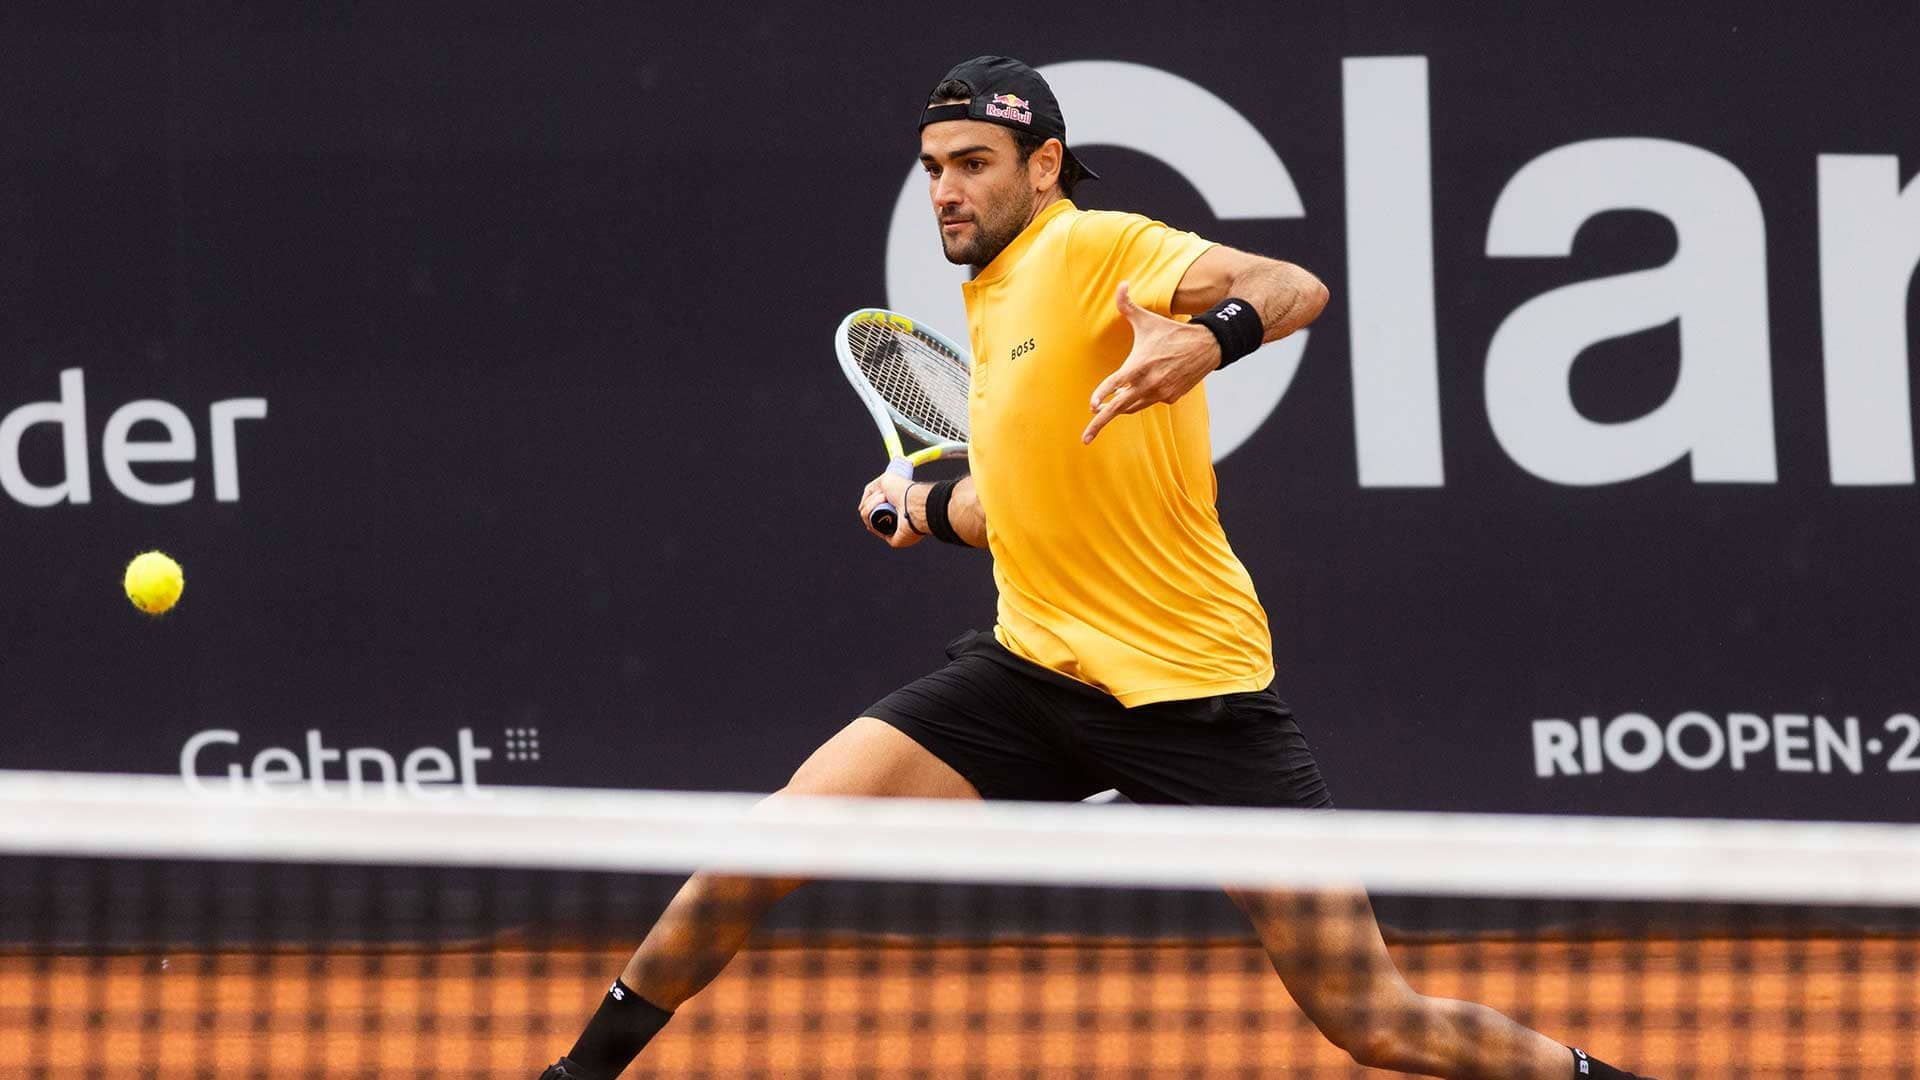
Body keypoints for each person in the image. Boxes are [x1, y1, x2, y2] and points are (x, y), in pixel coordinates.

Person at [542, 56, 1648, 1080]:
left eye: (974, 164)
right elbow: (1016, 506)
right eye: (933, 169)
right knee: (768, 842)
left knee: (1369, 1019)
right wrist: (926, 504)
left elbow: (1292, 283)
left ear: (1044, 166)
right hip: (1028, 679)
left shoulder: (1089, 248)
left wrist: (1207, 337)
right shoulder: (991, 301)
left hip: (1192, 699)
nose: (946, 192)